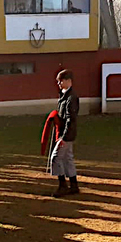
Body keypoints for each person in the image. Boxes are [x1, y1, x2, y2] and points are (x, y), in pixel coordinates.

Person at [51, 69, 80, 197]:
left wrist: (63, 136)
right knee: (68, 158)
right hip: (68, 133)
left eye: (61, 81)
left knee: (56, 158)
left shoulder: (71, 97)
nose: (59, 84)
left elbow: (70, 118)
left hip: (66, 134)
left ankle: (63, 185)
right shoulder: (65, 95)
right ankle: (73, 185)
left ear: (68, 81)